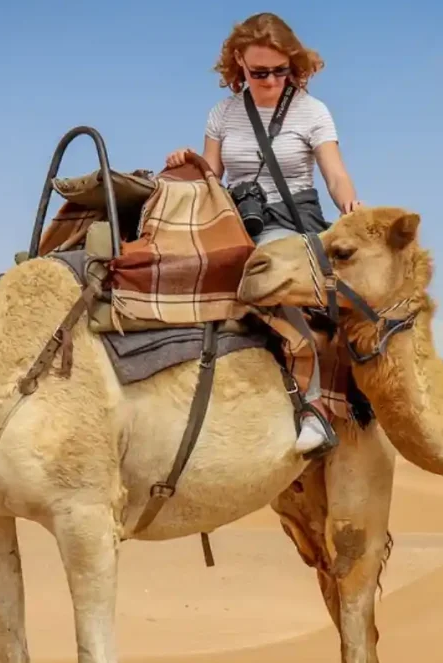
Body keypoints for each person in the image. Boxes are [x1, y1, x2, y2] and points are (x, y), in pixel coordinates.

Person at [166, 12, 361, 456]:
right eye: (259, 73)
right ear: (240, 62)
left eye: (280, 70)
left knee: (269, 275)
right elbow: (211, 178)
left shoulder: (312, 112)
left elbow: (335, 174)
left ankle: (314, 406)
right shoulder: (223, 114)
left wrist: (350, 205)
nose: (271, 81)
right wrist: (186, 161)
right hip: (237, 220)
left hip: (292, 223)